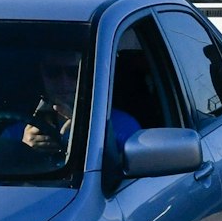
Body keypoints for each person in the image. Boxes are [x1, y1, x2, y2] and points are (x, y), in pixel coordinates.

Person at [8, 50, 140, 158]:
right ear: (41, 74)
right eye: (53, 72)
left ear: (89, 73)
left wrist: (87, 138)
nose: (63, 82)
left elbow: (128, 181)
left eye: (74, 72)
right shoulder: (15, 134)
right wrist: (23, 152)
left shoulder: (119, 126)